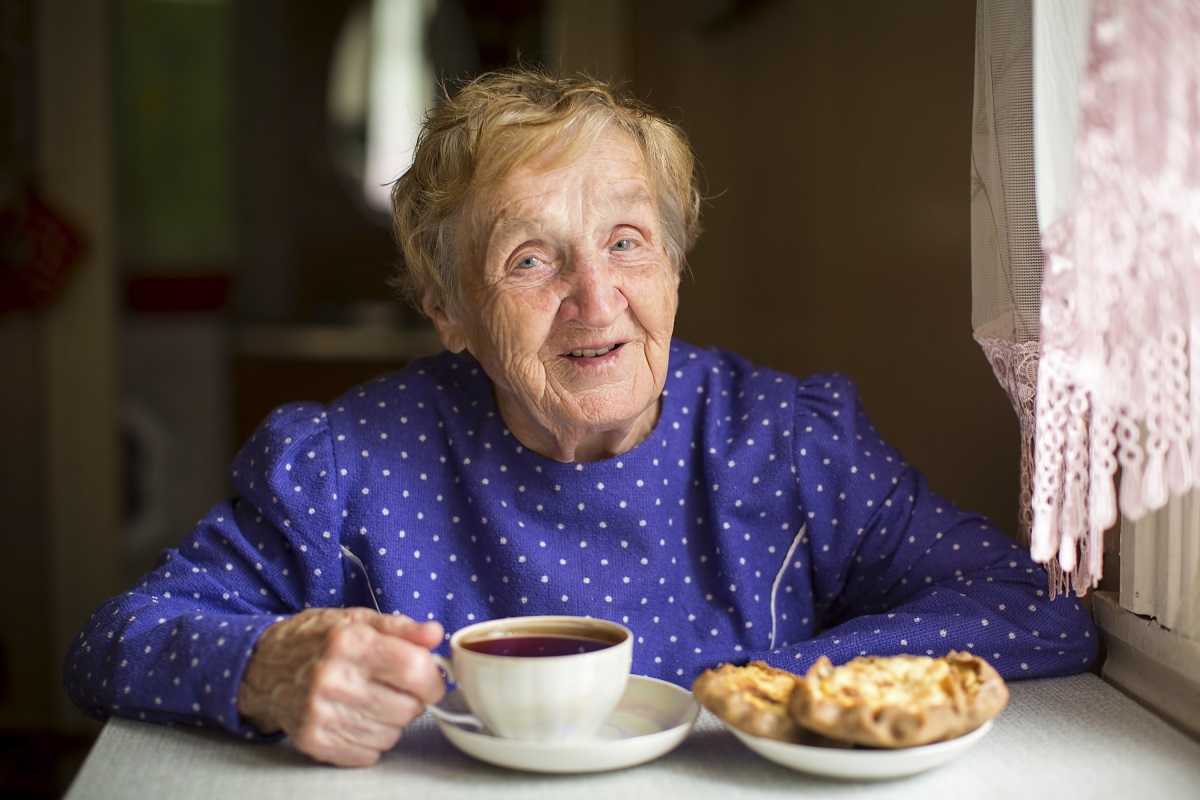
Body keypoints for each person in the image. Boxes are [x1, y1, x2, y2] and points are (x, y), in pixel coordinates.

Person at [64, 67, 1097, 767]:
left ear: (676, 265)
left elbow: (1033, 605)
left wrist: (778, 683)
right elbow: (115, 637)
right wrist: (266, 667)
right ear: (448, 307)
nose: (597, 301)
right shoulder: (346, 464)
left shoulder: (786, 443)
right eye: (529, 260)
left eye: (627, 242)